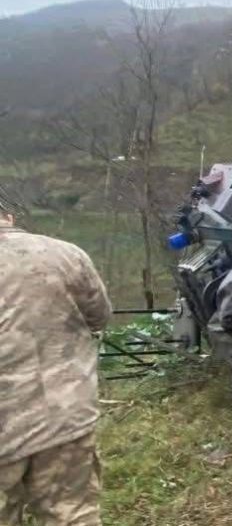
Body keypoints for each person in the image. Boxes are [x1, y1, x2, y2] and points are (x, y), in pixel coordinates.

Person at [0, 197, 113, 525]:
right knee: (72, 515)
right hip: (63, 418)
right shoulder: (66, 255)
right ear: (8, 216)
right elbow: (100, 317)